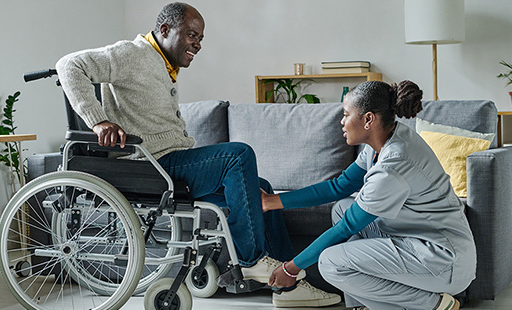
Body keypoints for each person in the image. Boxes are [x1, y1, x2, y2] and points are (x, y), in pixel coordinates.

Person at [55, 2, 340, 307]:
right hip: (153, 165)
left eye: (201, 38)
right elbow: (69, 65)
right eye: (192, 35)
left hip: (172, 162)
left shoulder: (162, 66)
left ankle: (288, 286)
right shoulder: (131, 53)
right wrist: (99, 120)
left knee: (262, 191)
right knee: (237, 154)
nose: (197, 44)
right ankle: (251, 259)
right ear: (165, 30)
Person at [262, 80, 477, 310]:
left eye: (346, 114)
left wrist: (290, 268)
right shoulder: (385, 141)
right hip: (421, 241)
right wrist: (272, 201)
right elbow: (339, 186)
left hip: (443, 260)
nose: (342, 122)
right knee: (342, 207)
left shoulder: (393, 166)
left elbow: (346, 228)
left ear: (368, 119)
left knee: (330, 263)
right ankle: (362, 305)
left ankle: (435, 304)